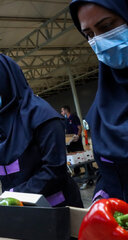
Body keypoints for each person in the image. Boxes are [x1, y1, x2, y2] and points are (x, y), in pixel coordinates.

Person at [0, 53, 83, 207]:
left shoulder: (43, 116)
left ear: (3, 80)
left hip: (54, 207)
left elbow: (53, 171)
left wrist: (13, 195)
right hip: (16, 208)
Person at [70, 0, 128, 201]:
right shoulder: (102, 106)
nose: (100, 41)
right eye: (90, 35)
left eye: (107, 26)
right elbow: (108, 170)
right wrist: (101, 198)